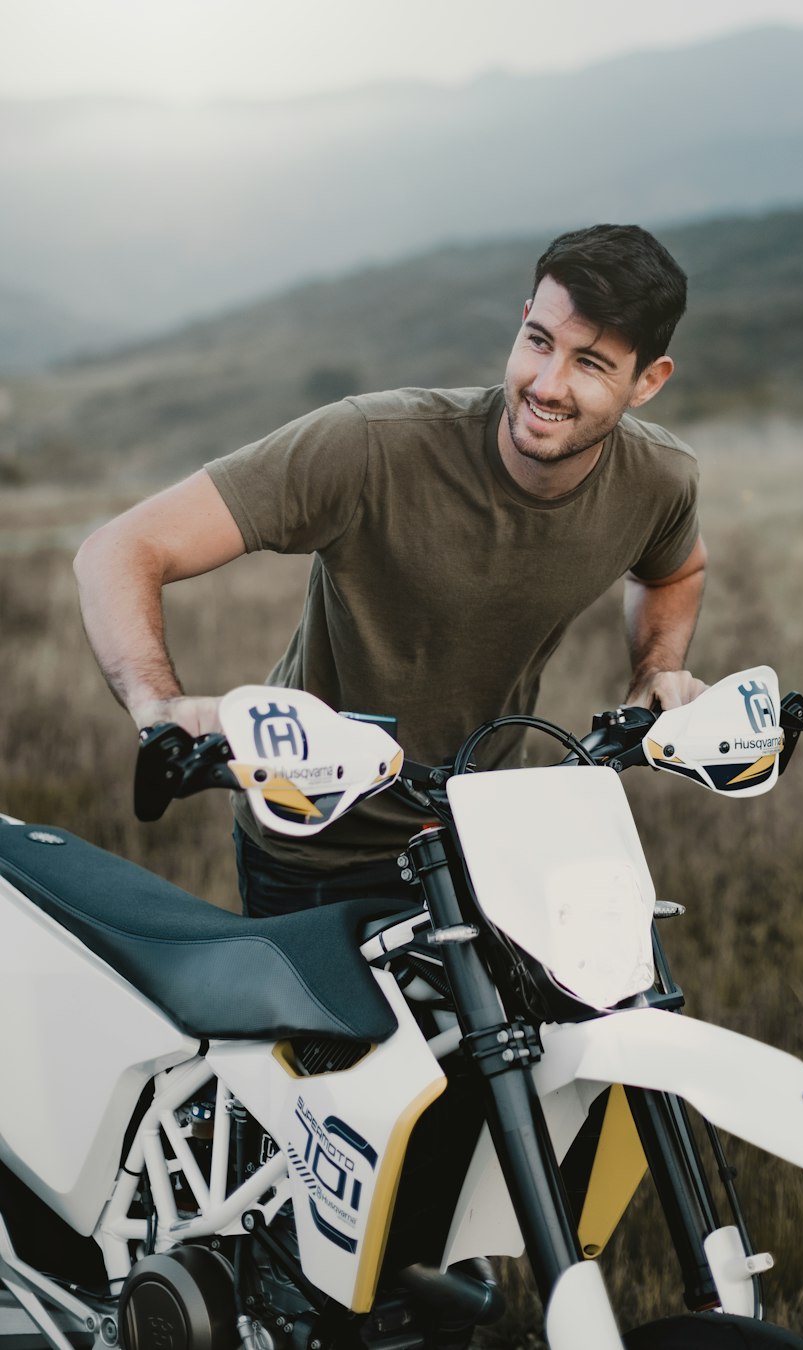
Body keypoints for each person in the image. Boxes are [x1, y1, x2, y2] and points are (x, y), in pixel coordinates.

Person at [74, 224, 708, 917]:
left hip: (486, 829)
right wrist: (159, 711)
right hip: (313, 839)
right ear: (522, 321)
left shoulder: (659, 481)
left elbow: (673, 572)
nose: (547, 384)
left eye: (590, 363)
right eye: (539, 342)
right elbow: (119, 549)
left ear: (648, 381)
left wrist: (654, 668)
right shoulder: (371, 448)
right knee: (335, 1032)